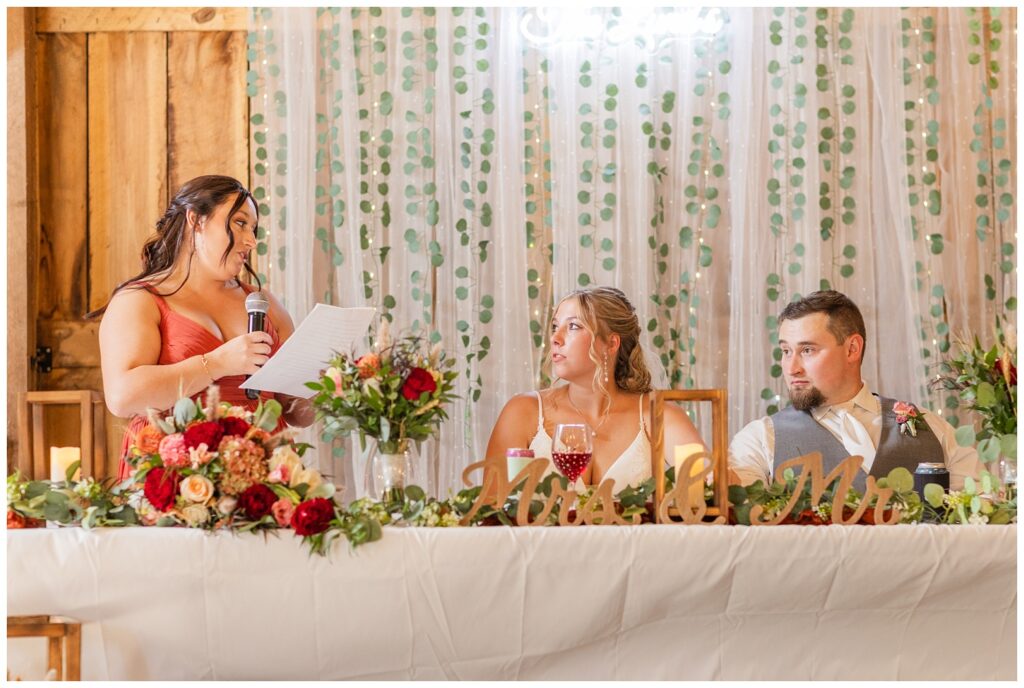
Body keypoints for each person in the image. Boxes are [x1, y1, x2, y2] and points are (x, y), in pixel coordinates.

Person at [91, 175, 314, 479]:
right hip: (175, 478)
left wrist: (328, 388)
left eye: (253, 229)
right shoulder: (140, 300)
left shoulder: (265, 303)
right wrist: (219, 363)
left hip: (261, 478)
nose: (251, 240)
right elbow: (122, 396)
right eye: (239, 223)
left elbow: (295, 412)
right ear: (195, 220)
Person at [729, 290, 982, 491]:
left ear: (852, 349)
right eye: (786, 351)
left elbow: (980, 520)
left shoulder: (934, 429)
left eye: (807, 350)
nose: (791, 368)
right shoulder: (759, 440)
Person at [485, 286, 704, 490]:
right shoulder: (524, 412)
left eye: (573, 326)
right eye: (554, 326)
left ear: (611, 344)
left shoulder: (656, 414)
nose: (555, 338)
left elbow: (707, 490)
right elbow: (491, 511)